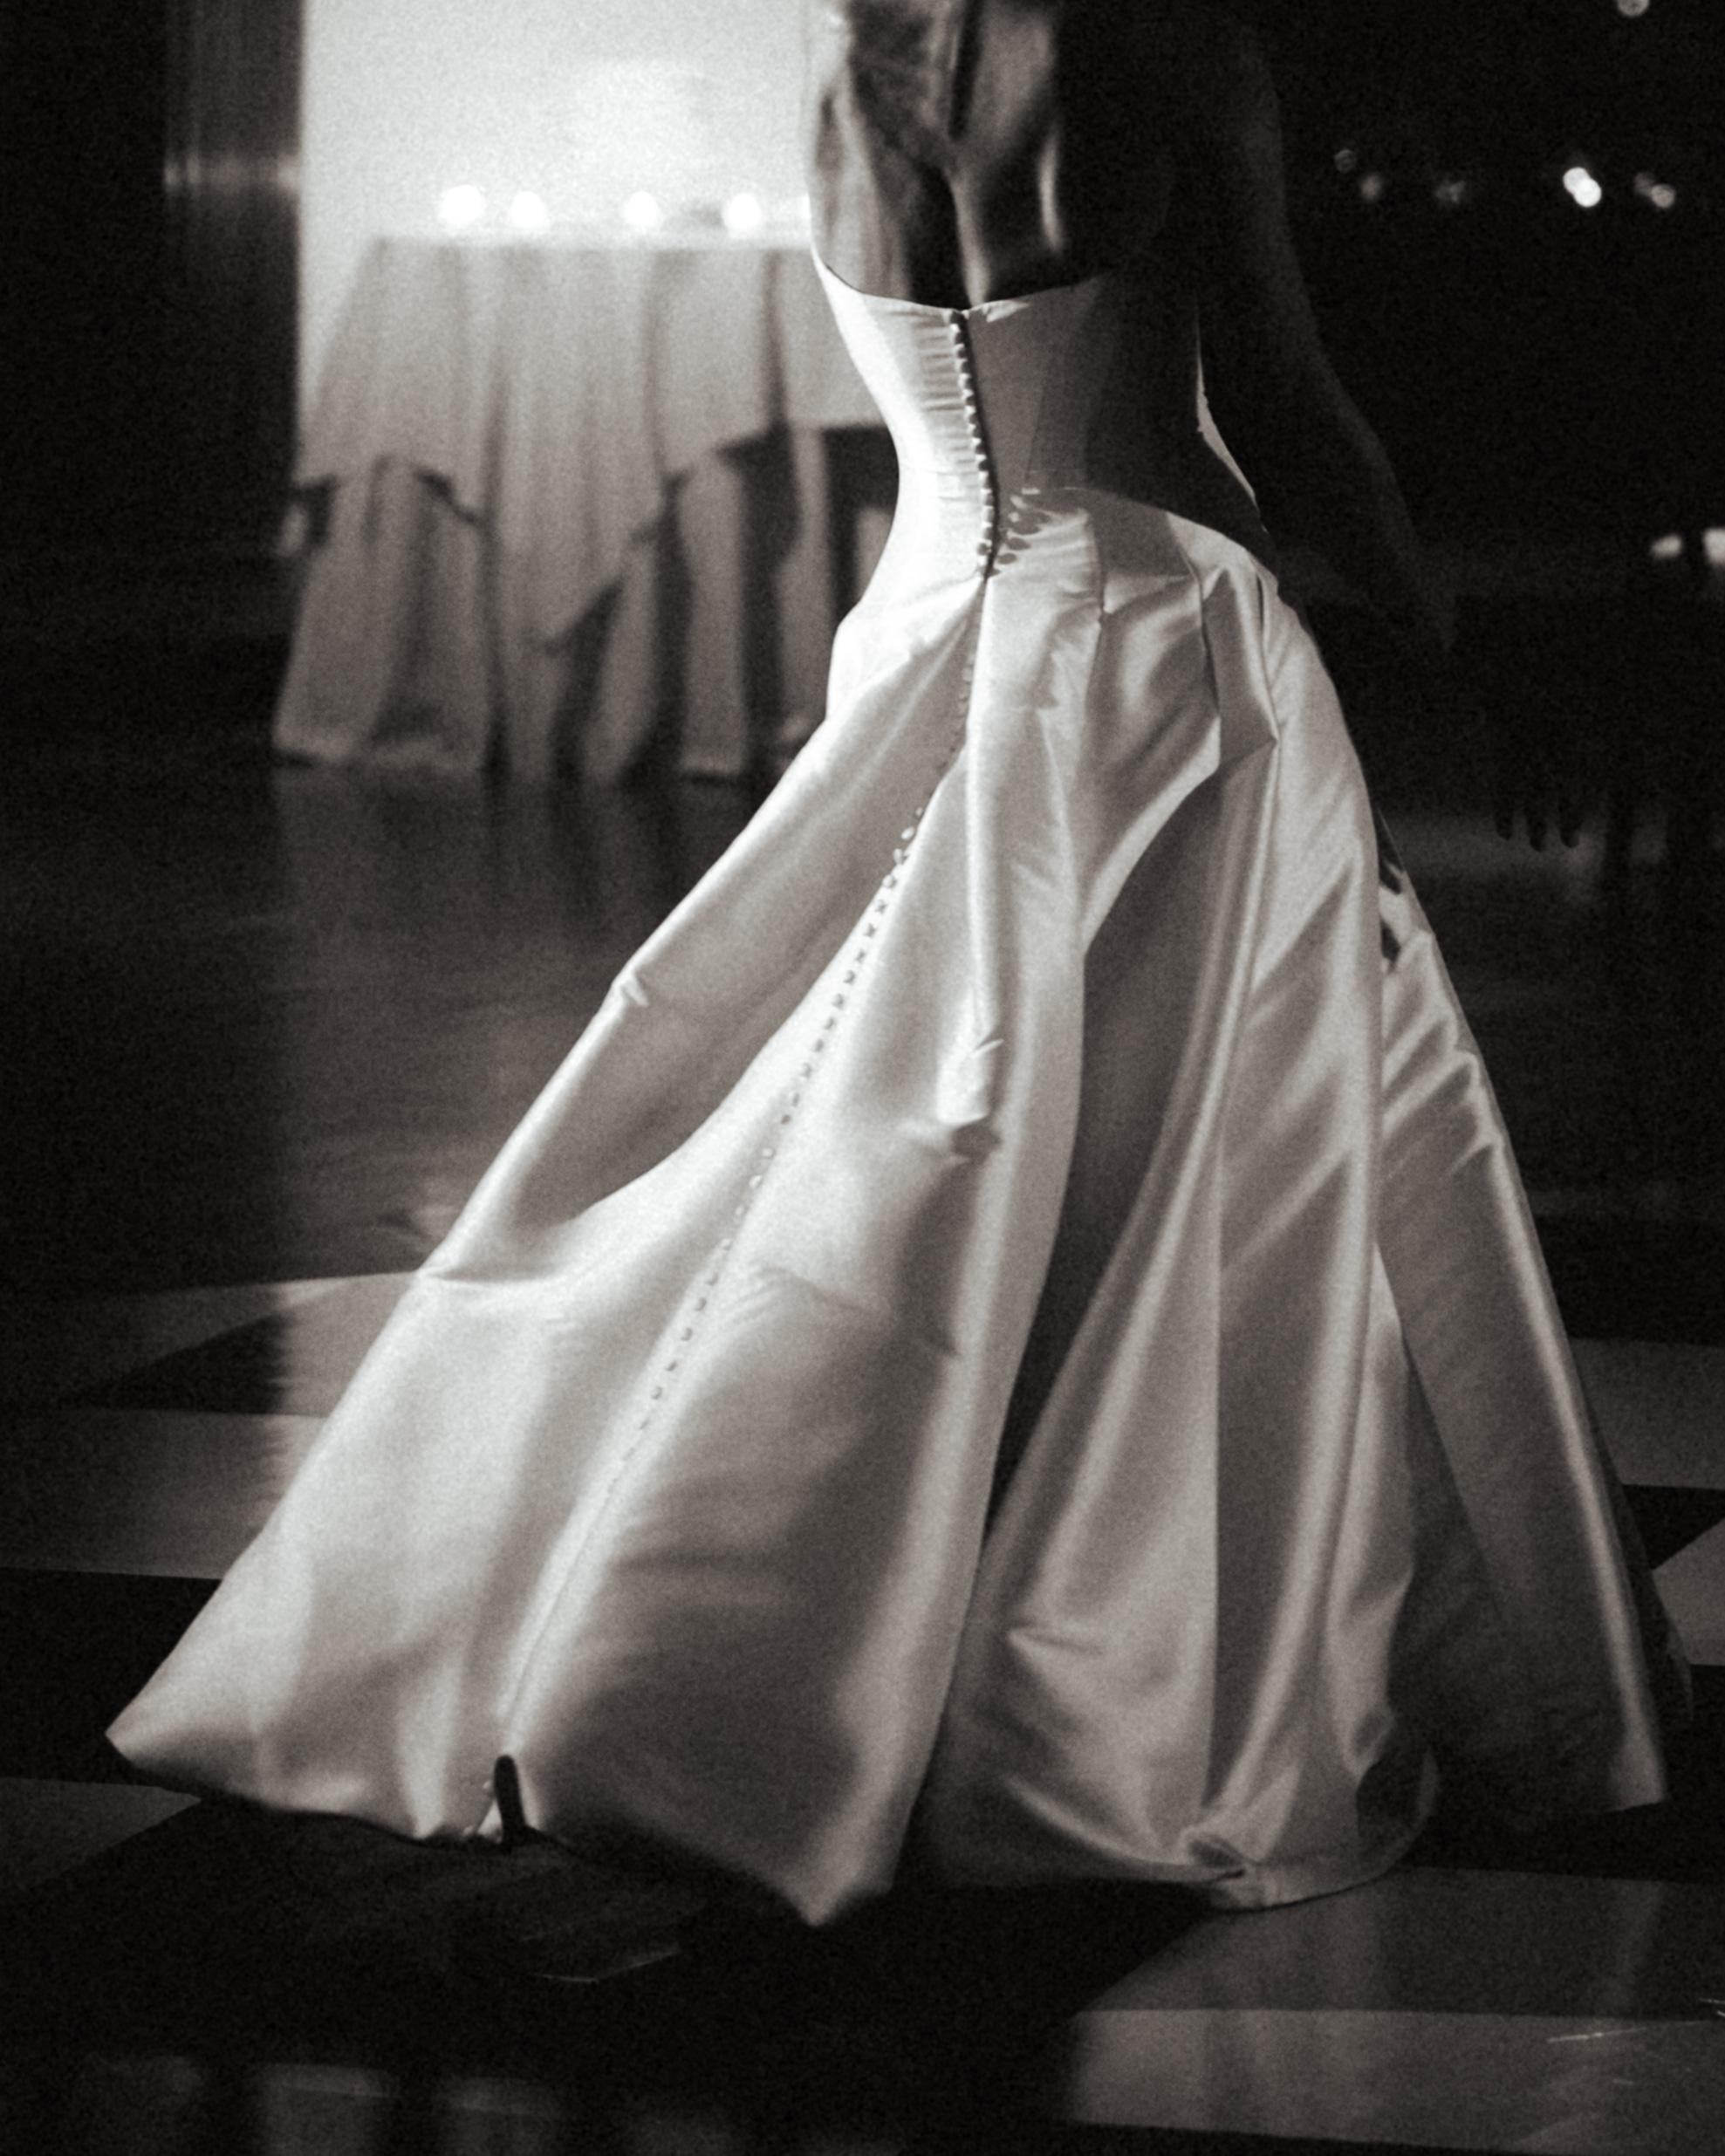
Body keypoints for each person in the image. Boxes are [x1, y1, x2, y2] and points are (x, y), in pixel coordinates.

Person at [111, 0, 1687, 1929]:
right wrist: (1447, 652)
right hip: (1148, 662)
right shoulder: (1170, 49)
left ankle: (781, 1653)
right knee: (1183, 1183)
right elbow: (1277, 397)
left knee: (903, 1147)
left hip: (929, 620)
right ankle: (1081, 1682)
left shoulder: (842, 45)